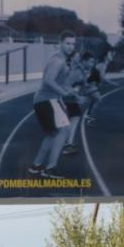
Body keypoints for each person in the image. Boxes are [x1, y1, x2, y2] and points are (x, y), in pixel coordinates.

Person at [28, 30, 78, 179]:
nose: (70, 47)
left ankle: (36, 165)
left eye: (73, 44)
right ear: (60, 43)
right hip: (47, 99)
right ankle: (50, 169)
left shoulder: (60, 59)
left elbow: (60, 83)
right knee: (64, 130)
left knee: (52, 133)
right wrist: (64, 94)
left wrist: (74, 94)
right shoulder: (58, 60)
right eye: (67, 43)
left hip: (44, 100)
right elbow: (49, 81)